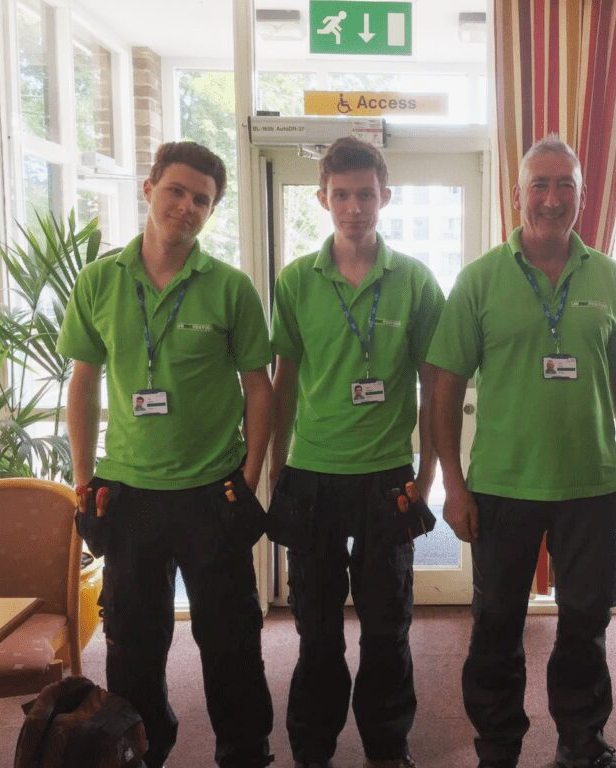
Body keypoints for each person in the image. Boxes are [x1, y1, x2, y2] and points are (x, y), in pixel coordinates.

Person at [427, 135, 616, 768]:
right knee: (497, 627)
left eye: (565, 185)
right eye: (540, 185)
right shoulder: (480, 279)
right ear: (518, 193)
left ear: (582, 193)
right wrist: (454, 483)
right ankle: (498, 746)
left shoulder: (606, 275)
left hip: (592, 485)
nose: (552, 199)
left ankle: (582, 743)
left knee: (586, 625)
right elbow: (446, 383)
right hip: (501, 486)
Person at [58, 141, 275, 768]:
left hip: (212, 491)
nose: (186, 207)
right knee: (133, 644)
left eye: (201, 200)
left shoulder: (229, 288)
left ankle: (244, 750)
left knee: (232, 638)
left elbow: (257, 387)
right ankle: (142, 747)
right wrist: (82, 478)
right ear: (149, 189)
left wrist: (249, 474)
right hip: (130, 495)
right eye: (176, 191)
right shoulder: (100, 280)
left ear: (211, 212)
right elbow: (84, 379)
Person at [268, 136, 444, 768]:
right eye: (340, 195)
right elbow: (283, 385)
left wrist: (428, 477)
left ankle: (387, 749)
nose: (353, 207)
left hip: (386, 478)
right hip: (312, 477)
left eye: (364, 194)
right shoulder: (295, 282)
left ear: (384, 197)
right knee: (316, 632)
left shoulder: (415, 282)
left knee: (388, 629)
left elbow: (435, 385)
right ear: (322, 198)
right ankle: (312, 748)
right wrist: (275, 474)